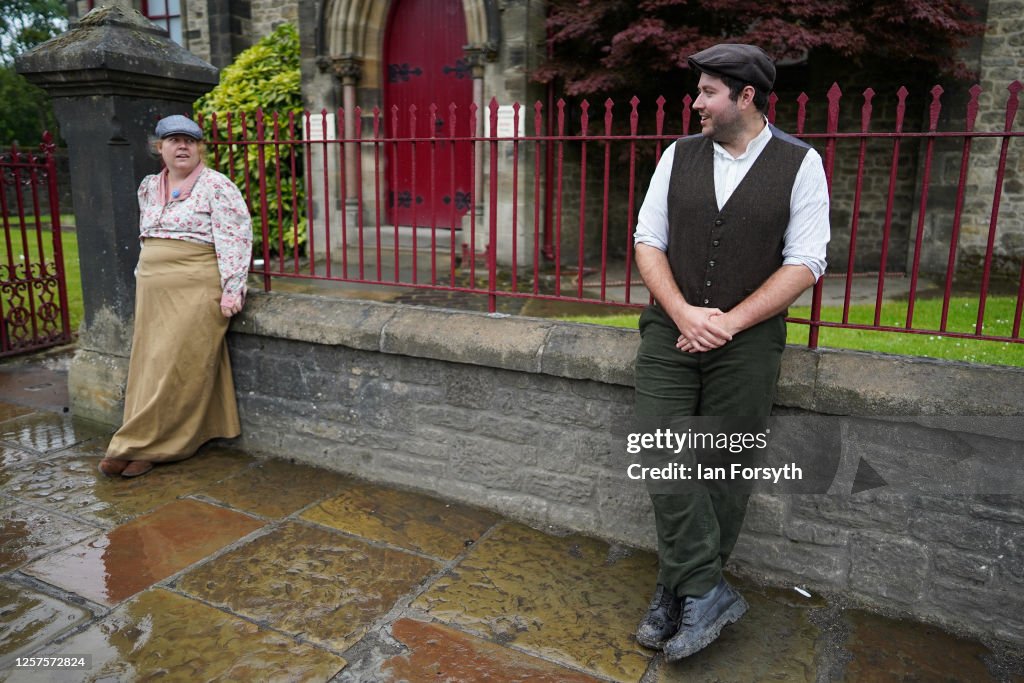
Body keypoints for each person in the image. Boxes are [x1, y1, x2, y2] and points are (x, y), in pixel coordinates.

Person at [631, 44, 830, 660]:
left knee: (721, 467)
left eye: (708, 91)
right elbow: (647, 240)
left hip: (749, 340)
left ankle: (680, 590)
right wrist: (686, 314)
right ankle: (703, 588)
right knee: (663, 452)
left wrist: (728, 323)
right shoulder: (677, 155)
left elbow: (807, 259)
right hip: (671, 329)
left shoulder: (802, 163)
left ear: (746, 97)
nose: (696, 102)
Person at [98, 114, 253, 478]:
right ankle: (152, 446)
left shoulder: (217, 186)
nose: (181, 146)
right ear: (160, 148)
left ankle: (137, 445)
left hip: (195, 286)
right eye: (173, 140)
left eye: (189, 140)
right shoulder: (149, 186)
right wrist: (143, 272)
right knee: (150, 365)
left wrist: (232, 287)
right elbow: (146, 233)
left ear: (200, 148)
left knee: (177, 365)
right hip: (153, 289)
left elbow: (236, 237)